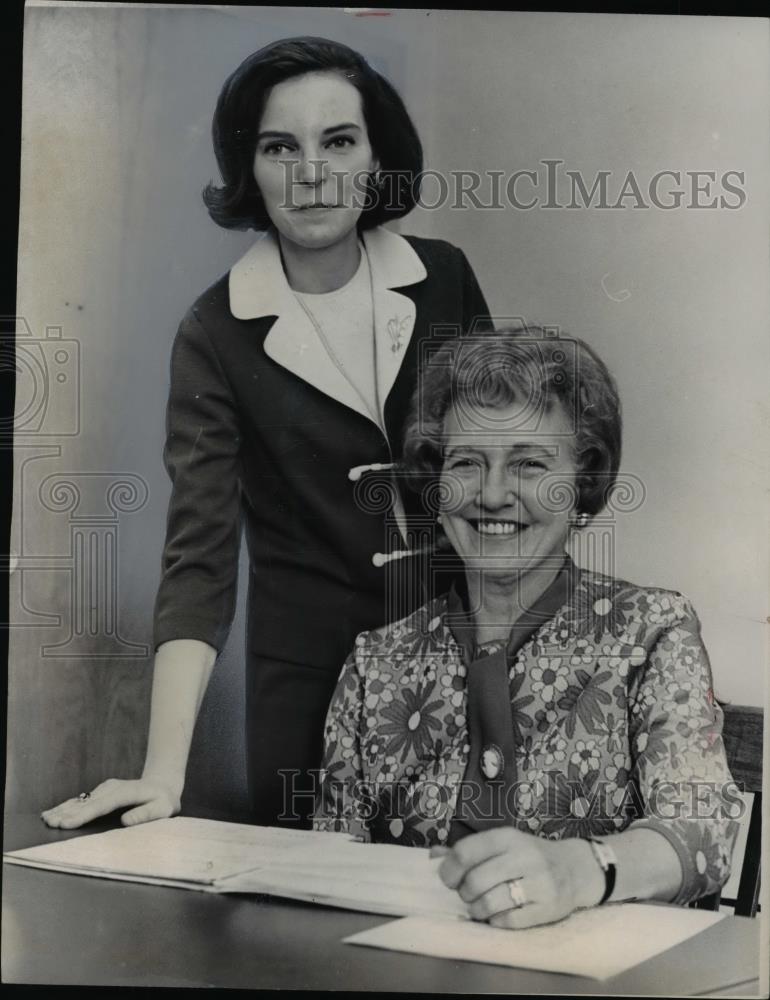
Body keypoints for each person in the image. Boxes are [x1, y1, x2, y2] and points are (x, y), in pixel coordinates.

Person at [42, 37, 490, 831]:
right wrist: (162, 776)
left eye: (339, 141)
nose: (311, 173)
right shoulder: (213, 332)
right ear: (249, 167)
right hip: (308, 694)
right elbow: (200, 559)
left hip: (464, 662)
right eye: (281, 147)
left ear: (376, 157)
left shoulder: (444, 277)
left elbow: (505, 481)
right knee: (315, 937)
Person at [313, 325, 739, 928]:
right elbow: (328, 876)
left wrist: (580, 870)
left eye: (530, 464)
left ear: (581, 481)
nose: (492, 494)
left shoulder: (651, 632)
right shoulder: (373, 663)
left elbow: (703, 831)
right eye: (466, 462)